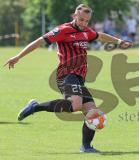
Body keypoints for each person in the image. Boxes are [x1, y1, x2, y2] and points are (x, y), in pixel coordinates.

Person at [4, 4, 132, 153]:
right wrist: (18, 56)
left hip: (78, 78)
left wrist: (118, 42)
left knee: (93, 113)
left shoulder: (86, 32)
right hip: (66, 74)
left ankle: (86, 147)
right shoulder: (63, 30)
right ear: (75, 16)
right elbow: (40, 41)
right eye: (82, 20)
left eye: (87, 21)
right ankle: (36, 107)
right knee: (76, 105)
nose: (84, 23)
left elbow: (100, 36)